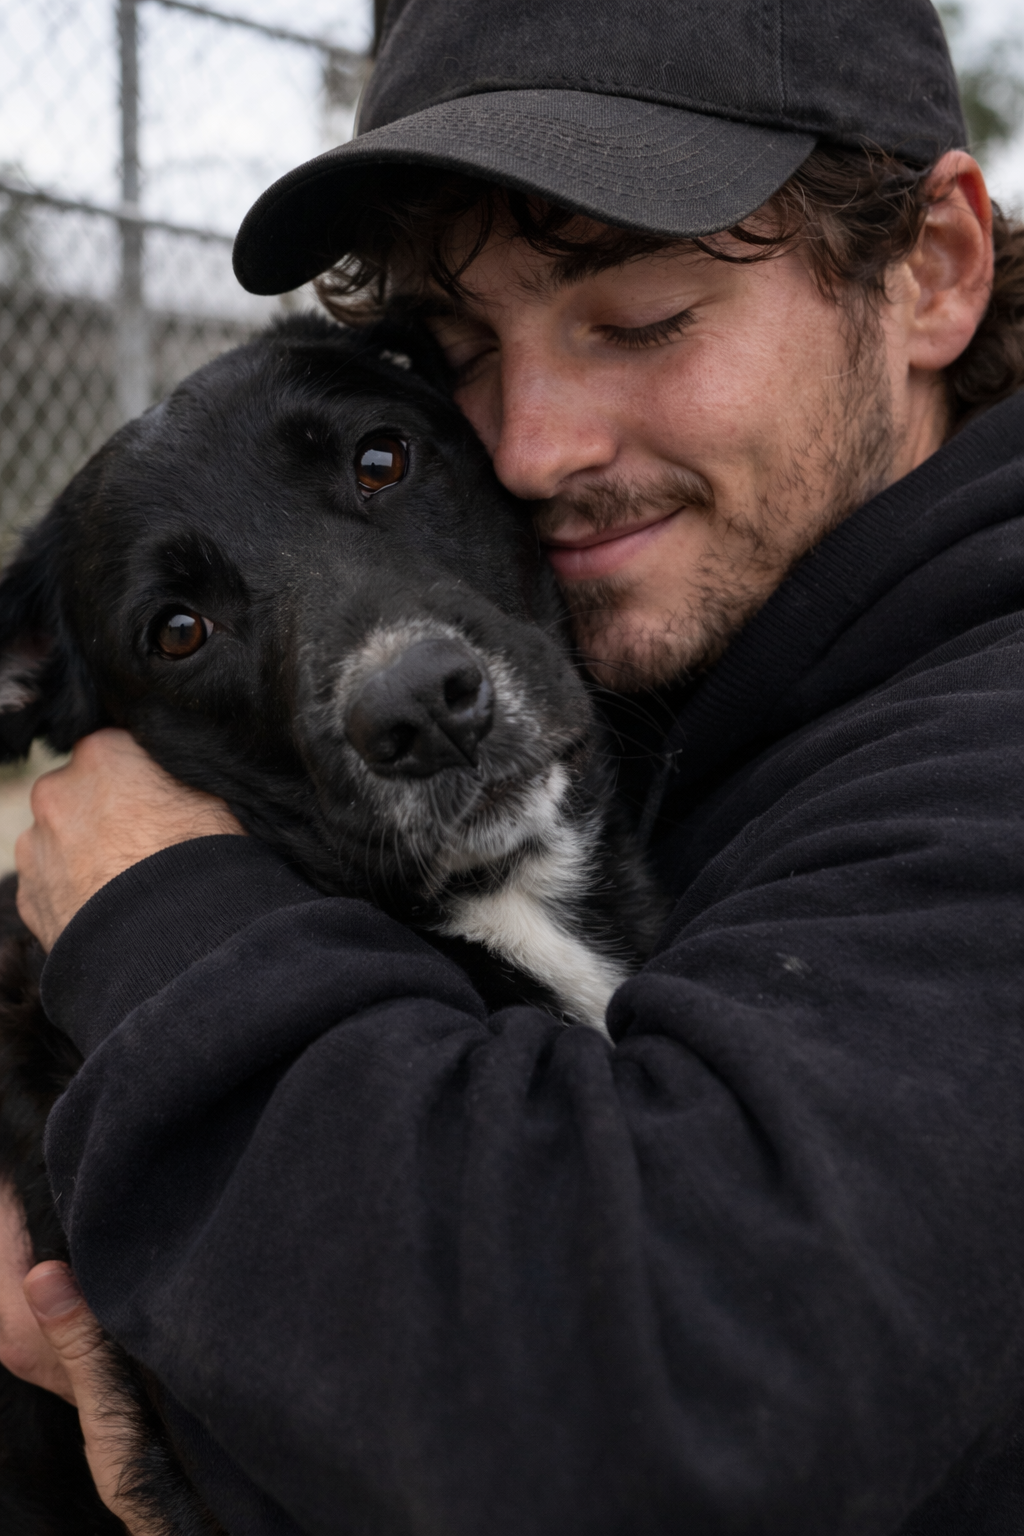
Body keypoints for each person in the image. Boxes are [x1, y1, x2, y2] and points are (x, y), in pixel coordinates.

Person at [3, 0, 1024, 1530]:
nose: (531, 449)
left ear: (933, 270)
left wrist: (156, 922)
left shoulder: (978, 730)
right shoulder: (702, 658)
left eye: (639, 318)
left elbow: (649, 1419)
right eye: (460, 353)